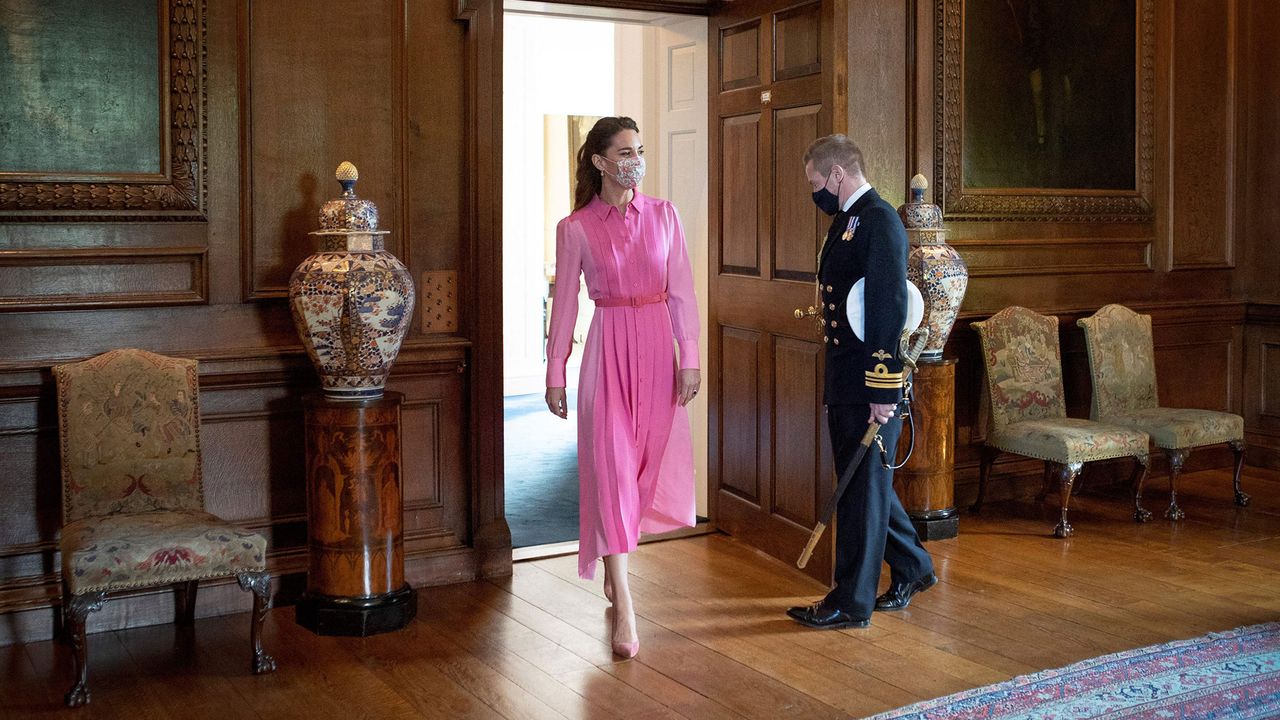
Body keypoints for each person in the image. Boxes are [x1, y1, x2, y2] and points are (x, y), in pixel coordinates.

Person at [545, 116, 701, 658]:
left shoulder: (664, 216)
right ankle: (626, 606)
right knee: (610, 468)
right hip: (607, 352)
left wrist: (691, 359)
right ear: (599, 161)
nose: (635, 159)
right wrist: (554, 371)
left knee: (643, 468)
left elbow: (681, 291)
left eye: (640, 149)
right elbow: (565, 305)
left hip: (659, 352)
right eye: (625, 151)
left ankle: (615, 556)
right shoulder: (576, 229)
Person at [786, 134, 936, 630]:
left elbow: (888, 309)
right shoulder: (848, 220)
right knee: (865, 484)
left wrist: (882, 391)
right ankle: (914, 566)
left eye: (815, 182)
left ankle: (851, 602)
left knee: (862, 490)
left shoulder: (879, 221)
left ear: (836, 174)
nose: (814, 192)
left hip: (869, 382)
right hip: (846, 374)